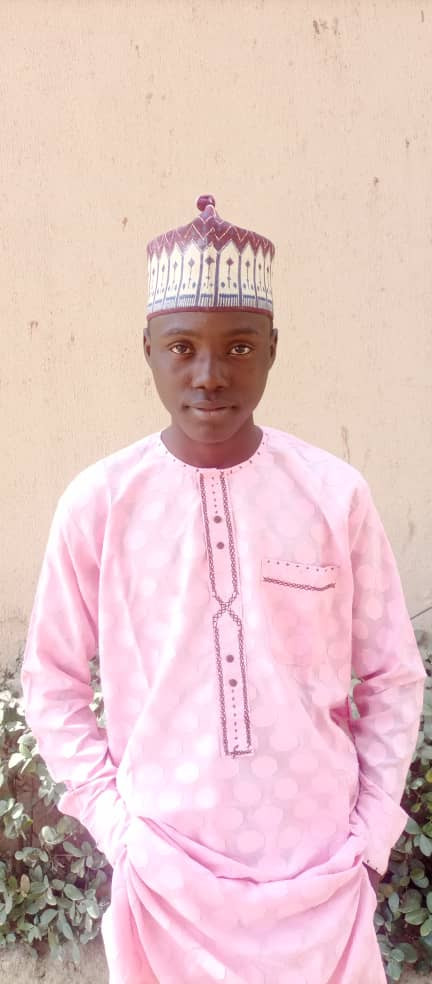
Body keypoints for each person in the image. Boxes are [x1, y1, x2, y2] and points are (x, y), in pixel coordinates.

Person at [21, 194, 426, 984]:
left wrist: (369, 832)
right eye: (182, 347)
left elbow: (392, 675)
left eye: (239, 346)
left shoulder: (332, 494)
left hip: (321, 879)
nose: (209, 375)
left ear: (273, 349)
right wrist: (117, 829)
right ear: (147, 351)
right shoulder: (100, 504)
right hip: (166, 882)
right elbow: (52, 681)